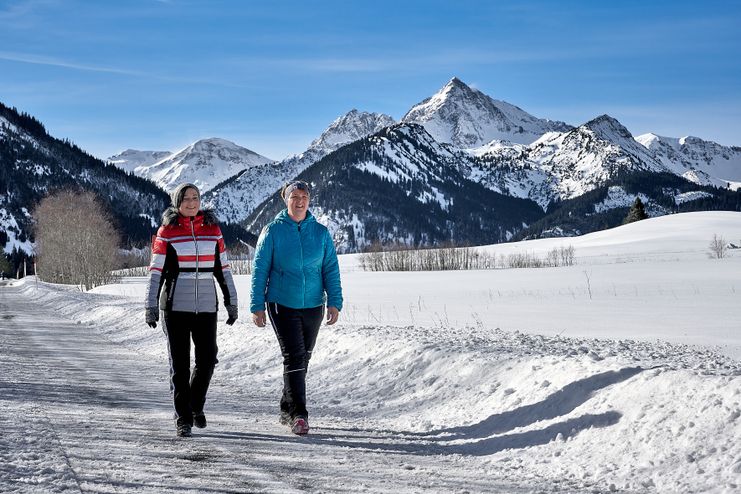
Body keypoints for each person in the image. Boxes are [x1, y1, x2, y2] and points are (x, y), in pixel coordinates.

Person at [144, 183, 239, 438]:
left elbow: (224, 269)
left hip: (207, 305)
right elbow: (156, 272)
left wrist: (232, 301)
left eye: (195, 198)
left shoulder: (213, 230)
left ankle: (195, 405)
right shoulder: (167, 231)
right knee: (180, 364)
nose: (191, 202)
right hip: (175, 307)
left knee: (208, 359)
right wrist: (151, 305)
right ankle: (183, 418)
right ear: (177, 202)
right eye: (185, 198)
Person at [250, 180, 343, 435]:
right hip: (282, 302)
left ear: (309, 199)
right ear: (286, 200)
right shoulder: (273, 231)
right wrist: (257, 305)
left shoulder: (320, 233)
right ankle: (299, 415)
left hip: (314, 304)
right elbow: (260, 270)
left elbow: (330, 269)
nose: (300, 201)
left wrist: (334, 301)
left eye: (304, 196)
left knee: (304, 357)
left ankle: (286, 405)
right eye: (295, 196)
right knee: (294, 356)